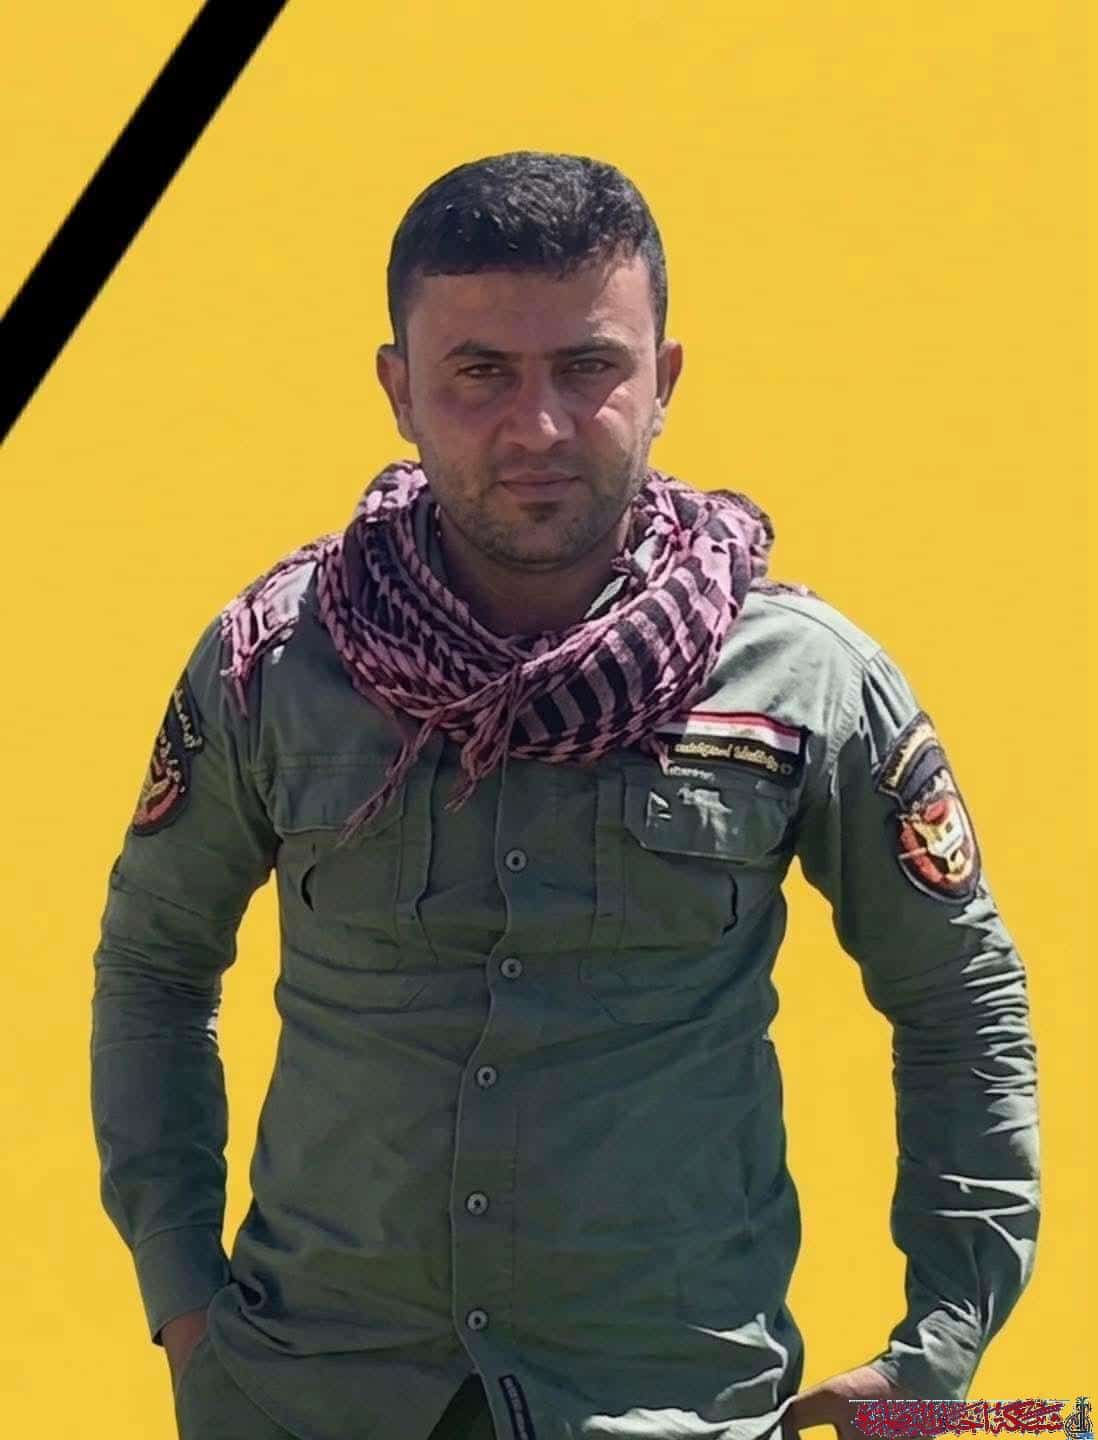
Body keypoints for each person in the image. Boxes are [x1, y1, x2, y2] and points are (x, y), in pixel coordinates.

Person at [90, 151, 1040, 1440]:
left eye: (588, 367)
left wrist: (938, 1347)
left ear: (665, 379)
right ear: (398, 390)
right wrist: (183, 1300)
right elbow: (154, 965)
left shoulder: (798, 678)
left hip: (666, 1401)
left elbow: (960, 998)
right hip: (307, 1391)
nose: (537, 428)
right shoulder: (279, 662)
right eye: (480, 372)